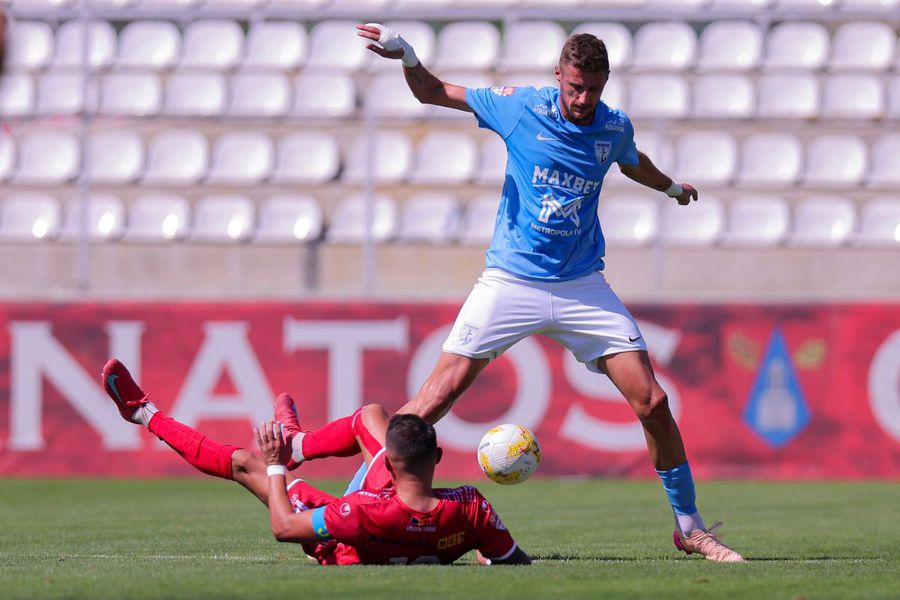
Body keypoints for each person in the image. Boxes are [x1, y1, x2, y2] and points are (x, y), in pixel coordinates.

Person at [350, 24, 744, 563]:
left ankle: (689, 526)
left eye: (594, 90)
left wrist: (673, 188)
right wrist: (408, 56)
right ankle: (352, 508)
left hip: (582, 285)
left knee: (653, 401)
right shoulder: (519, 107)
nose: (583, 100)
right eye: (575, 87)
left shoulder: (612, 126)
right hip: (510, 280)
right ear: (559, 76)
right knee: (429, 404)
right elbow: (434, 92)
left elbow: (632, 161)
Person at [101, 358, 530, 566]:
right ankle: (300, 443)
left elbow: (284, 527)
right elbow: (513, 560)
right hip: (402, 514)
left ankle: (143, 413)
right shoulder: (472, 509)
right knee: (371, 416)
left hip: (342, 539)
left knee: (246, 465)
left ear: (389, 463)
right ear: (436, 457)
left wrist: (275, 465)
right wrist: (485, 555)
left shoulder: (357, 510)